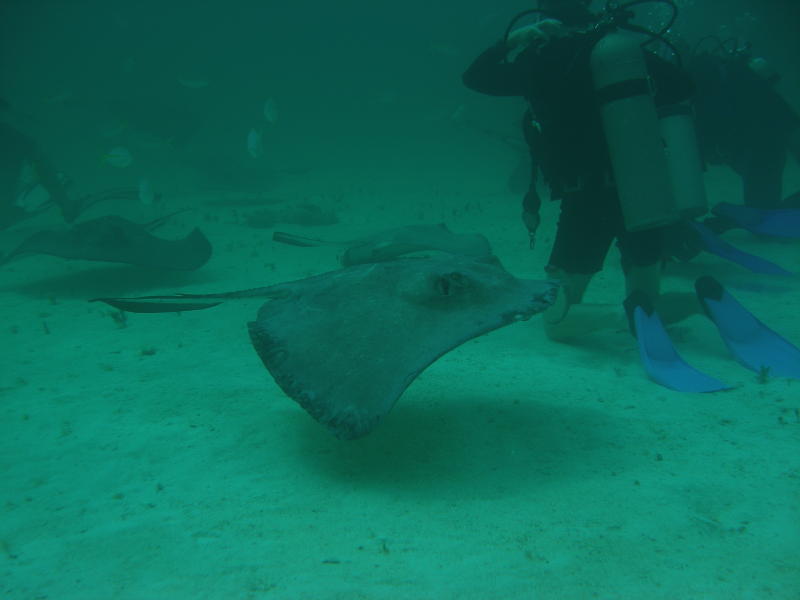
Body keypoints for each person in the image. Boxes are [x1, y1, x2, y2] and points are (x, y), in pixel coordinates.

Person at [462, 0, 697, 342]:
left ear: (544, 17)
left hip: (585, 196)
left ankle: (622, 314)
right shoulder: (620, 53)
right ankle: (664, 308)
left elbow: (475, 77)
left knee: (557, 322)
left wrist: (514, 40)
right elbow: (684, 86)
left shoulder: (541, 59)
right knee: (645, 276)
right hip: (644, 187)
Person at [687, 39, 800, 232]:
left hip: (755, 140)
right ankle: (736, 219)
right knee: (762, 215)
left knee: (762, 218)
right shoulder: (733, 82)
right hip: (753, 141)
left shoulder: (708, 86)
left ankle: (732, 220)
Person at [0, 100, 80, 229]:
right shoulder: (17, 139)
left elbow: (45, 171)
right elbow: (46, 173)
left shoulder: (16, 139)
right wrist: (66, 206)